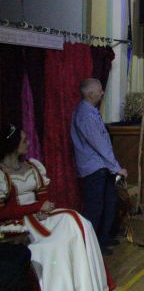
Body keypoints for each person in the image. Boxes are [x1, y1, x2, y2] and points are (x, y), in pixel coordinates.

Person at [1, 124, 113, 290]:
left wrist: (43, 208)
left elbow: (42, 195)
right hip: (19, 222)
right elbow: (3, 212)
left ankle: (88, 284)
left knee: (80, 222)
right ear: (13, 145)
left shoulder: (32, 166)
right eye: (24, 141)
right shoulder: (2, 174)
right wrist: (37, 207)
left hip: (38, 215)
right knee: (57, 244)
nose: (28, 143)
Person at [71, 78, 127, 253]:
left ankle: (103, 238)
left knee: (108, 203)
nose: (102, 93)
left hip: (102, 167)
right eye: (99, 90)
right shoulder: (85, 115)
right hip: (94, 168)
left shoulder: (91, 112)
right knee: (95, 208)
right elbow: (99, 145)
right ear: (90, 94)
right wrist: (116, 167)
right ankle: (91, 245)